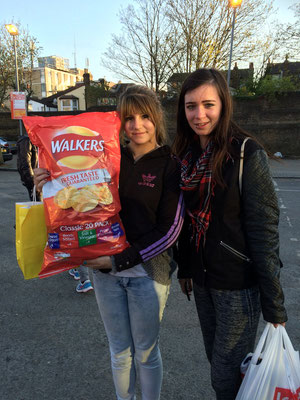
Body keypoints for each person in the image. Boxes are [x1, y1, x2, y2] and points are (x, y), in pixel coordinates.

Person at [34, 85, 184, 400]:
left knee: (145, 351)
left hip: (147, 274)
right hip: (104, 275)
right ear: (120, 123)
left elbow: (169, 230)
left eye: (145, 116)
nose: (137, 125)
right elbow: (75, 201)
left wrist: (120, 260)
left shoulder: (170, 164)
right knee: (119, 351)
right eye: (128, 118)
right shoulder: (107, 157)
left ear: (156, 118)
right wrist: (46, 183)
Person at [172, 68, 287, 400]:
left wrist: (274, 309)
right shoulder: (185, 154)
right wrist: (186, 266)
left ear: (223, 104)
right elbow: (186, 221)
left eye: (208, 104)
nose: (199, 114)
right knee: (219, 365)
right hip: (204, 282)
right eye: (191, 106)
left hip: (238, 284)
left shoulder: (244, 154)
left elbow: (264, 230)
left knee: (226, 377)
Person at [17, 133, 41, 201]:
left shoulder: (35, 140)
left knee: (39, 201)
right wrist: (31, 179)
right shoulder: (26, 140)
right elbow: (25, 162)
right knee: (37, 201)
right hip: (32, 178)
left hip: (37, 177)